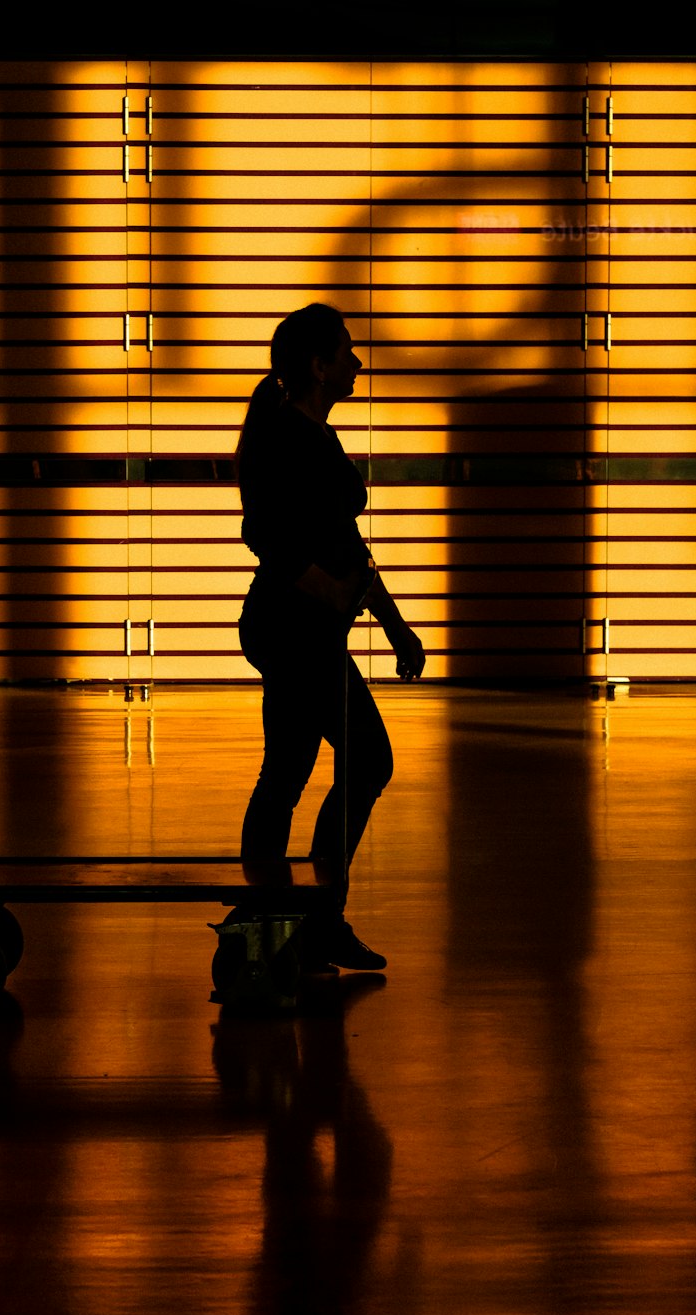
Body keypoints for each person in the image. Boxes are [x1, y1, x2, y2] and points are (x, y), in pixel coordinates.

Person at [236, 303, 425, 971]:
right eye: (346, 352)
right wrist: (331, 592)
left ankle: (270, 921)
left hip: (305, 632)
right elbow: (264, 535)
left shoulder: (316, 436)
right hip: (292, 633)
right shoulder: (284, 438)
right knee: (368, 760)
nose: (357, 362)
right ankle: (306, 919)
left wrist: (393, 621)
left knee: (285, 772)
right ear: (319, 366)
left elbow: (348, 546)